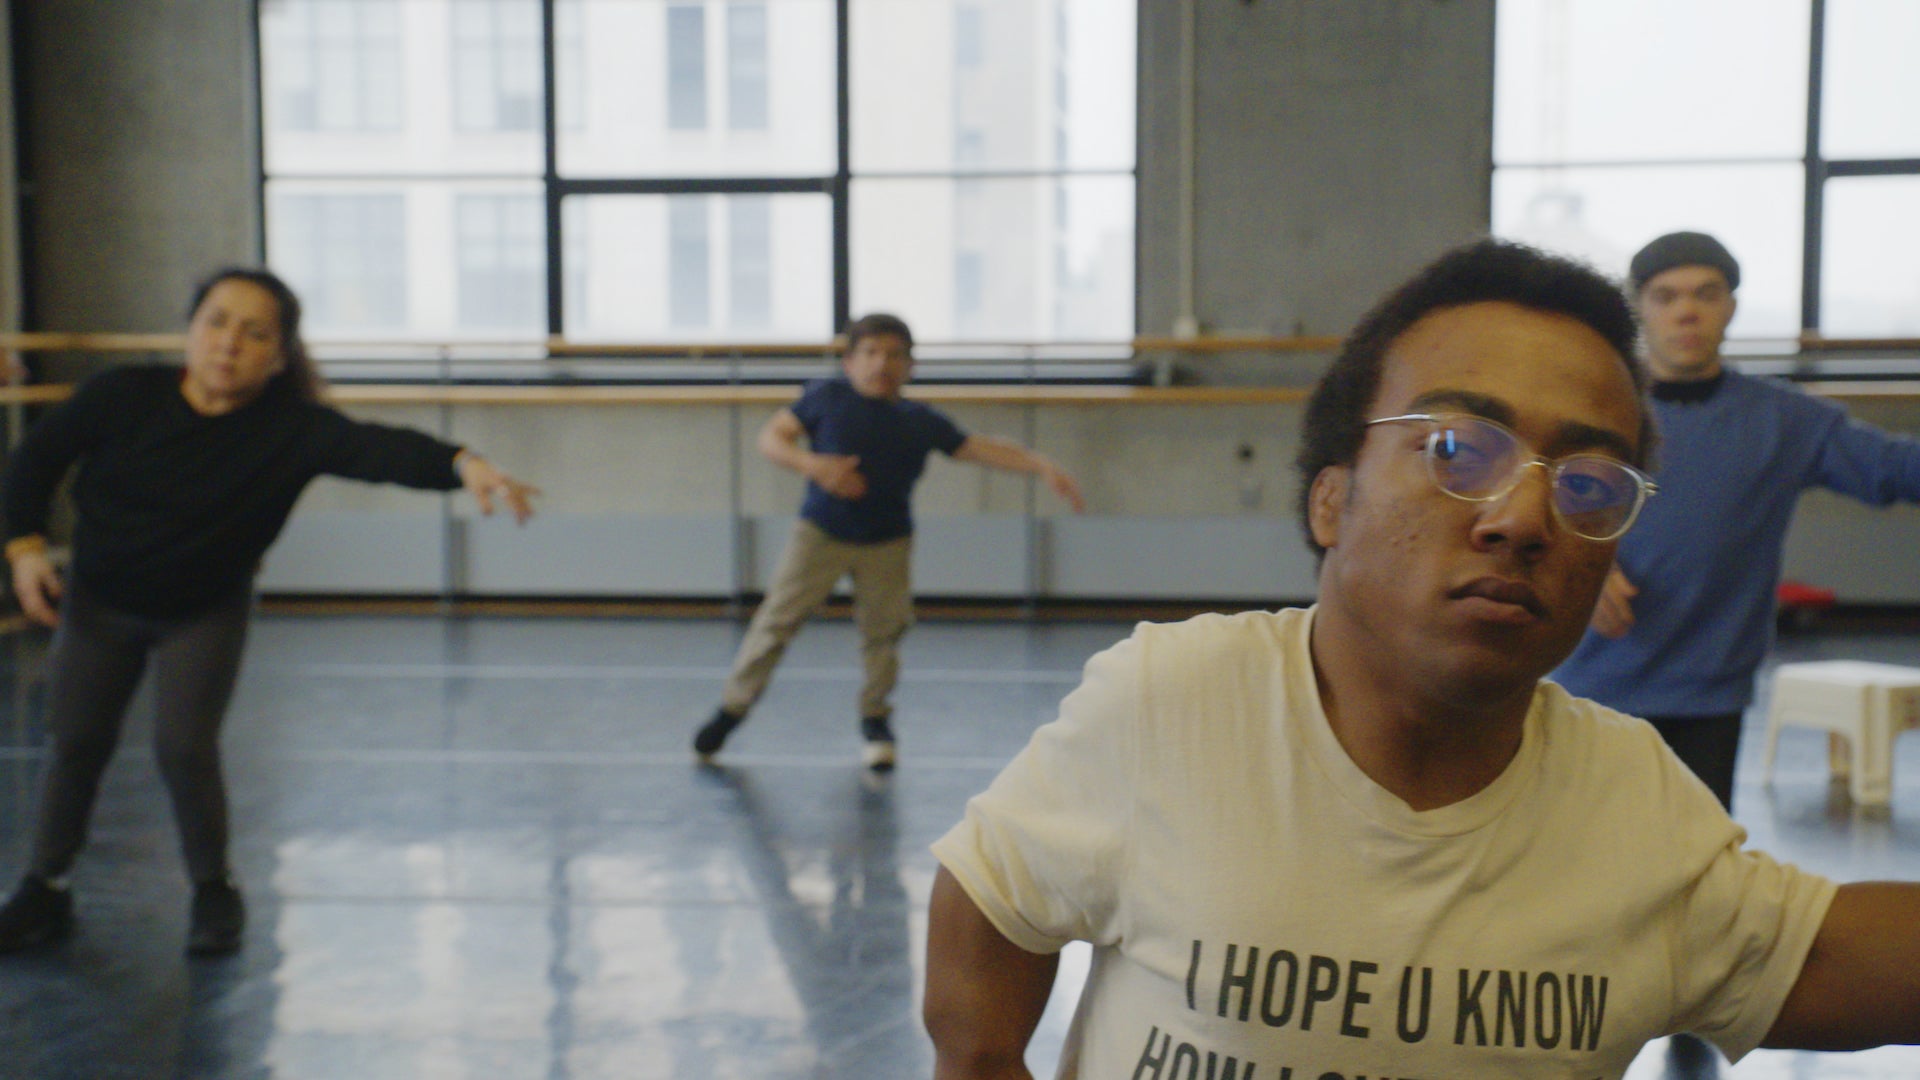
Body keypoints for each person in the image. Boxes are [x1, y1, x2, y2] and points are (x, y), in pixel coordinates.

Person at [923, 240, 1920, 1079]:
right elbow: (993, 898)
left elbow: (1826, 957)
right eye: (1456, 449)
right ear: (1331, 500)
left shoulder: (1634, 804)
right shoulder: (1177, 701)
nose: (1525, 516)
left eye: (1586, 482)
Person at [0, 267, 537, 956]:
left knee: (184, 748)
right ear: (190, 330)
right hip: (101, 602)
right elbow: (32, 462)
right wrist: (24, 549)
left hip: (202, 611)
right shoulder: (121, 396)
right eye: (217, 322)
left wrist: (465, 464)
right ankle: (45, 888)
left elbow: (380, 449)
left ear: (280, 356)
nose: (230, 344)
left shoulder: (293, 430)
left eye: (255, 334)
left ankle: (213, 889)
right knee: (74, 743)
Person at [1552, 231, 1920, 811]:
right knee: (1578, 860)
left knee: (1697, 873)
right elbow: (1521, 498)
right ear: (1641, 309)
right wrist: (1577, 563)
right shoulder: (1586, 404)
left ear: (1731, 306)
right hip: (1586, 683)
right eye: (1666, 296)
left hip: (1710, 695)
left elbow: (1895, 469)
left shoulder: (1785, 420)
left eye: (1706, 293)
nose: (1687, 311)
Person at [693, 313, 1084, 771]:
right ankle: (731, 710)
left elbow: (977, 447)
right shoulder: (826, 397)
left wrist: (1040, 465)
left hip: (887, 542)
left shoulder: (918, 420)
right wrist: (813, 465)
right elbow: (772, 437)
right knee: (775, 623)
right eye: (871, 353)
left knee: (883, 635)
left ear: (910, 366)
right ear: (850, 361)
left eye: (894, 355)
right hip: (820, 534)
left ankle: (876, 720)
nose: (882, 364)